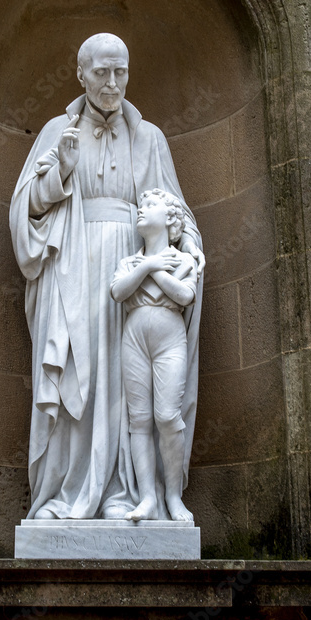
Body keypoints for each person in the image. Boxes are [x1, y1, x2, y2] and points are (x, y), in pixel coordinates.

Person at [9, 32, 204, 520]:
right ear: (81, 75)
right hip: (71, 262)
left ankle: (126, 492)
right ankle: (65, 493)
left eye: (121, 71)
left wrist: (189, 254)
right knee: (79, 370)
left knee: (126, 382)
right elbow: (22, 212)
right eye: (101, 72)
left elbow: (176, 213)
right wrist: (59, 175)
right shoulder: (58, 129)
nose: (112, 82)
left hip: (130, 272)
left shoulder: (149, 137)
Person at [111, 189, 198, 522]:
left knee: (166, 415)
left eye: (150, 205)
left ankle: (173, 497)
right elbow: (118, 291)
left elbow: (185, 294)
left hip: (169, 338)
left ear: (170, 218)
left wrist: (155, 270)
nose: (141, 210)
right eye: (140, 205)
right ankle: (147, 497)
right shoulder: (130, 262)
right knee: (140, 420)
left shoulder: (183, 260)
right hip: (134, 338)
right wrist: (147, 264)